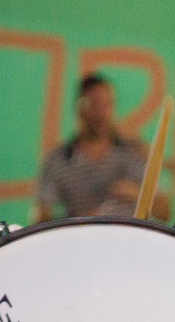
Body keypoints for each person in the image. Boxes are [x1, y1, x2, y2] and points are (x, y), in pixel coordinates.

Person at [35, 73, 158, 221]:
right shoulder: (58, 159)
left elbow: (164, 211)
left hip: (128, 234)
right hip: (80, 234)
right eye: (95, 104)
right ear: (80, 108)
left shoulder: (133, 152)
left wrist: (138, 195)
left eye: (108, 104)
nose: (102, 112)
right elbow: (41, 216)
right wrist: (81, 220)